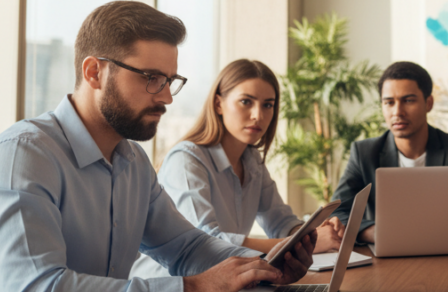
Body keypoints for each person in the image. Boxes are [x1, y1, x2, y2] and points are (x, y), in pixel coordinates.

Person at [0, 2, 314, 292]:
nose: (165, 97)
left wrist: (261, 267)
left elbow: (185, 247)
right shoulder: (23, 156)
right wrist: (190, 290)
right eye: (151, 78)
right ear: (94, 72)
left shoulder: (131, 160)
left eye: (169, 81)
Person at [131, 58, 343, 279]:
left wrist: (310, 234)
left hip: (223, 287)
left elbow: (281, 222)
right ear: (218, 104)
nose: (258, 115)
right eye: (246, 102)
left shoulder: (252, 160)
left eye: (268, 105)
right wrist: (291, 245)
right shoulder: (186, 160)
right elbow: (207, 242)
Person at [331, 61, 448, 243]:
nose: (397, 112)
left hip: (447, 249)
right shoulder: (364, 153)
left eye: (408, 100)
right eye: (389, 102)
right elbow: (336, 213)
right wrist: (373, 232)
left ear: (429, 103)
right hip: (387, 255)